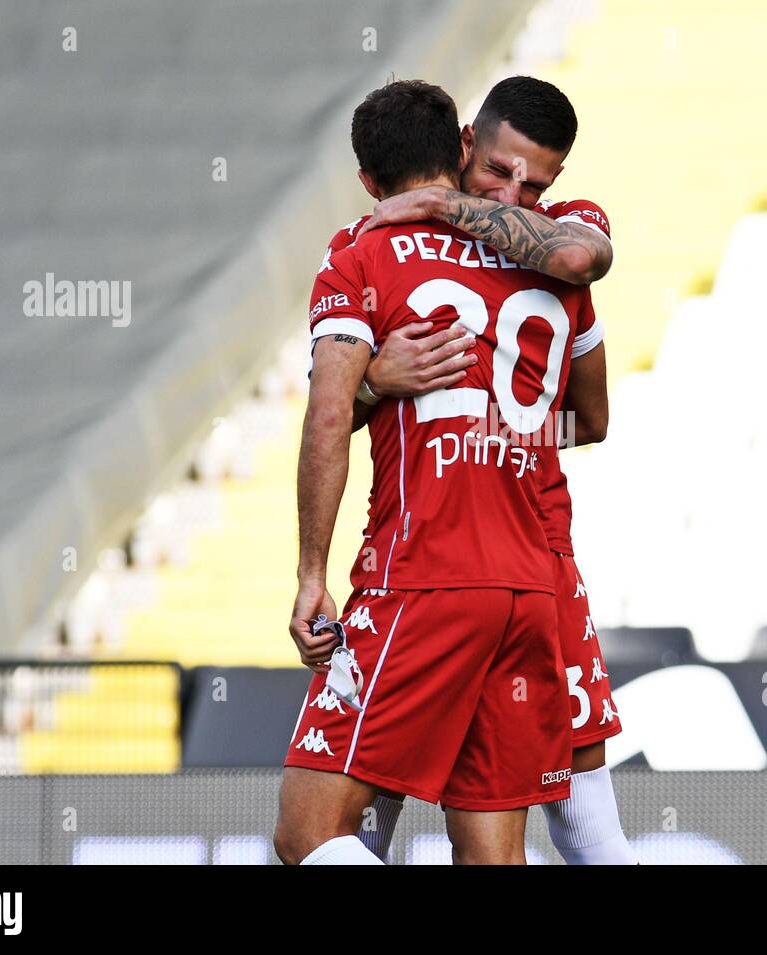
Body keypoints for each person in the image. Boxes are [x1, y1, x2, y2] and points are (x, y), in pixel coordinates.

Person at [274, 79, 603, 865]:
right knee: (498, 853)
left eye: (533, 181)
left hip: (425, 576)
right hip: (531, 589)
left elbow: (327, 418)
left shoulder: (363, 249)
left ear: (367, 183)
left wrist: (311, 574)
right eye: (504, 169)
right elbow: (588, 417)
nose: (517, 189)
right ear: (460, 147)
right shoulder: (547, 246)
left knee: (311, 831)